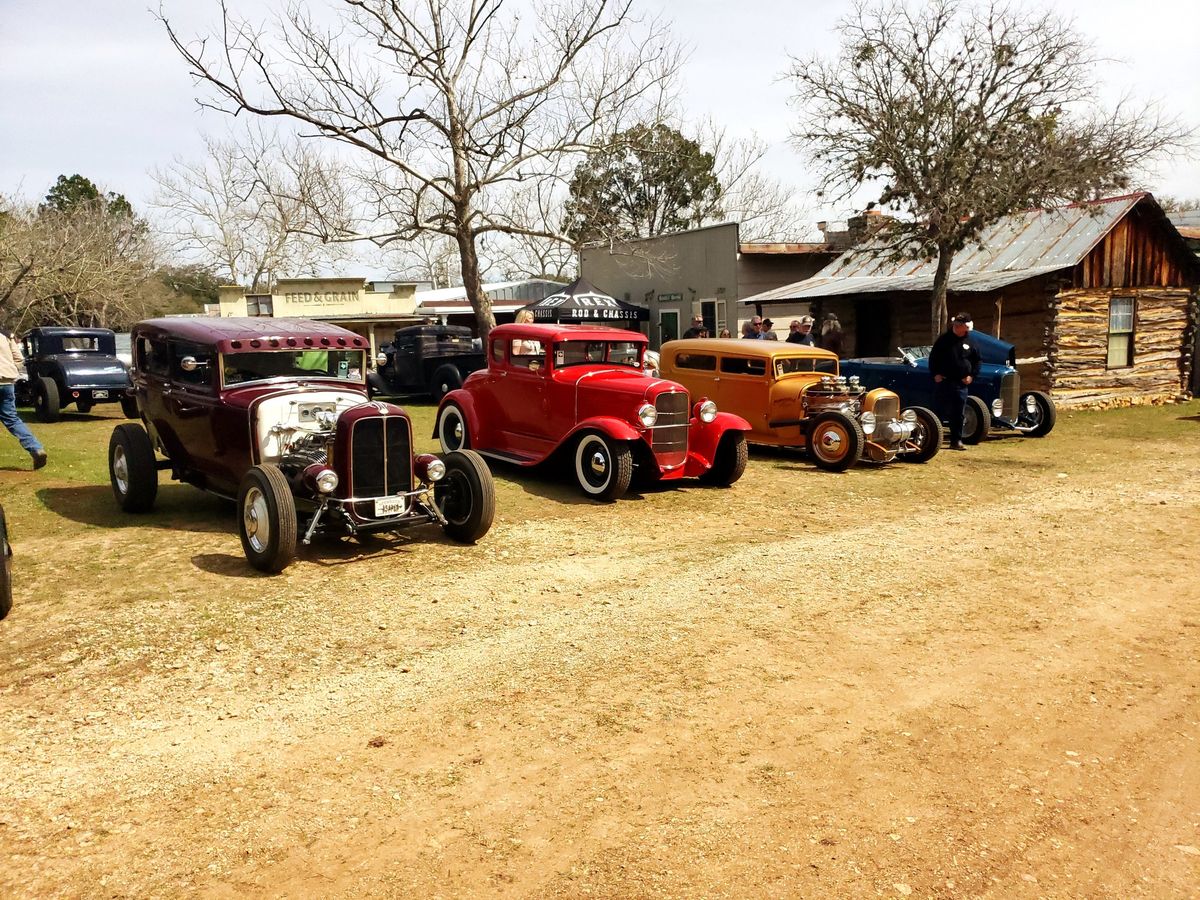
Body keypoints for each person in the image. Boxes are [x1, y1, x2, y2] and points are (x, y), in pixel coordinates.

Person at [928, 312, 981, 451]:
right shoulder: (944, 340)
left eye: (961, 325)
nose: (957, 327)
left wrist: (972, 376)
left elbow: (977, 361)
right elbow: (933, 358)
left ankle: (956, 441)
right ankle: (934, 441)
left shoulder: (971, 342)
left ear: (966, 326)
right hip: (944, 381)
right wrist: (935, 374)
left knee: (958, 413)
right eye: (956, 324)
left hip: (961, 383)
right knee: (939, 410)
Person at [0, 329, 47, 469]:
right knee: (12, 419)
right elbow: (19, 359)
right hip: (7, 382)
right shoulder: (6, 335)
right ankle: (35, 448)